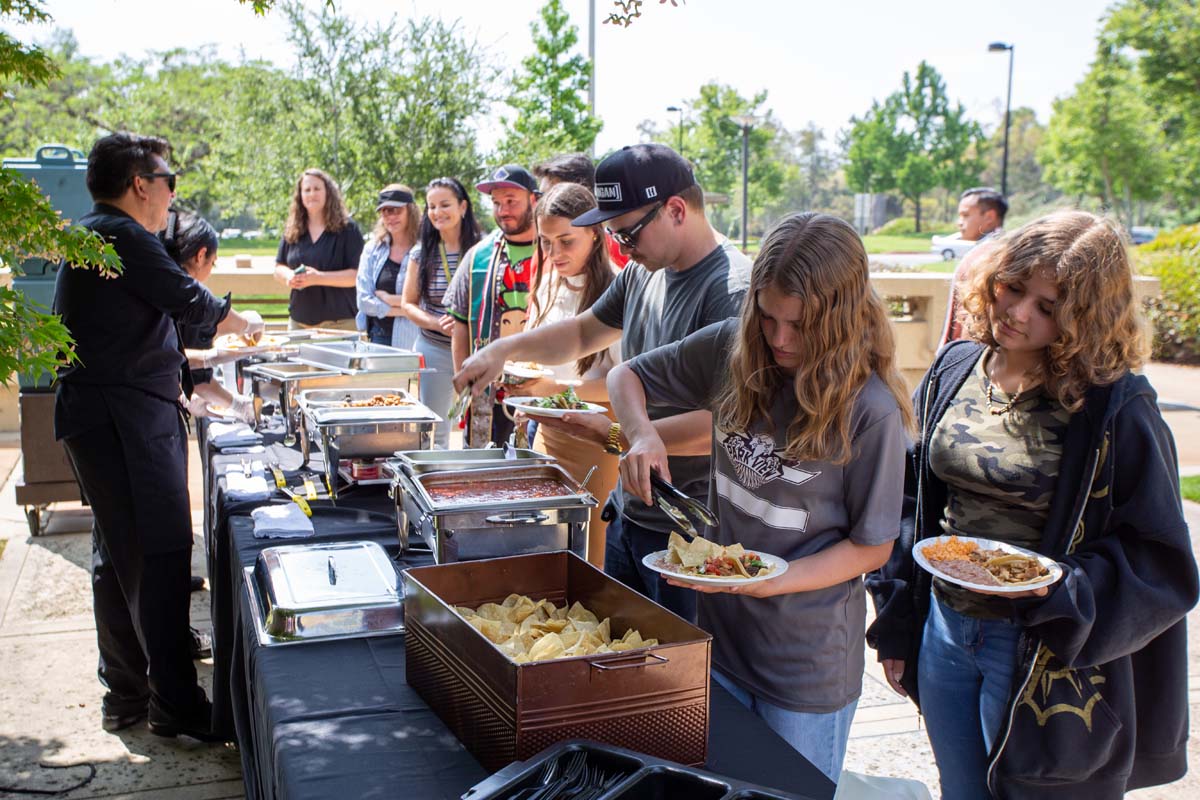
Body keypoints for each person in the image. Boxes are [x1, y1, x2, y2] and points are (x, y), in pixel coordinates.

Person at [867, 211, 1198, 799]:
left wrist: (1058, 586)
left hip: (1042, 656)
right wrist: (897, 623)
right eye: (1013, 287)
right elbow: (908, 497)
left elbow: (1162, 560)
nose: (1018, 312)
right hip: (944, 630)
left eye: (1048, 306)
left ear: (1085, 317)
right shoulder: (954, 367)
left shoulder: (1115, 407)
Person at [607, 212, 910, 781]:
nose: (778, 340)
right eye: (767, 318)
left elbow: (872, 547)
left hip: (803, 667)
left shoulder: (871, 411)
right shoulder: (733, 347)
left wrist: (766, 580)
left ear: (840, 319)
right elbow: (626, 377)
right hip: (719, 642)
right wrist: (642, 432)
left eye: (799, 325)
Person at [454, 143, 751, 622]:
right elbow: (581, 333)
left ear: (676, 209)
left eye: (627, 234)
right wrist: (500, 351)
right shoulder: (641, 272)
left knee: (672, 679)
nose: (621, 248)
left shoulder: (731, 291)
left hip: (689, 529)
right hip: (629, 510)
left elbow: (726, 427)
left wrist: (616, 435)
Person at [53, 133, 262, 741]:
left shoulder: (99, 232)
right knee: (162, 555)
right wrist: (244, 322)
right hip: (123, 418)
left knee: (117, 558)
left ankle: (126, 691)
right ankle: (174, 703)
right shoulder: (120, 234)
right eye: (169, 180)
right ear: (140, 184)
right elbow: (186, 300)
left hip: (106, 415)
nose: (173, 194)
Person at [506, 183, 621, 567]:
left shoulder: (618, 289)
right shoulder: (545, 284)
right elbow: (542, 363)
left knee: (592, 558)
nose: (554, 254)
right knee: (546, 548)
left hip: (600, 439)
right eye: (546, 242)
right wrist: (526, 393)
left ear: (596, 233)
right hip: (548, 435)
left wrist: (555, 389)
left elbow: (625, 383)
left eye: (565, 241)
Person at [445, 164, 540, 447]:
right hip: (488, 391)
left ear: (534, 199)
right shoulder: (478, 256)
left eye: (511, 201)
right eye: (497, 203)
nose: (503, 210)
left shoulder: (553, 250)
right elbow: (459, 325)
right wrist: (464, 377)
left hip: (540, 390)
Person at [400, 177, 482, 449]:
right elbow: (408, 304)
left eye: (445, 204)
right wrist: (437, 323)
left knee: (480, 427)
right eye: (431, 206)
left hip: (478, 352)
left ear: (463, 207)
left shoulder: (483, 250)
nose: (437, 212)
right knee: (436, 431)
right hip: (434, 348)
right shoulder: (421, 253)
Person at [161, 210, 257, 425]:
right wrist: (247, 326)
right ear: (201, 255)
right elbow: (196, 377)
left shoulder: (161, 279)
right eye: (212, 262)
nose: (211, 271)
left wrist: (235, 403)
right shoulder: (187, 297)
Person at [274, 168, 364, 331]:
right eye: (307, 190)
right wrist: (289, 276)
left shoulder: (348, 229)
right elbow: (279, 267)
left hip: (340, 325)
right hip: (298, 324)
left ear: (328, 192)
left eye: (317, 189)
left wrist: (318, 278)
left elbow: (357, 275)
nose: (312, 194)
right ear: (300, 195)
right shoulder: (293, 229)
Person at [532, 152, 628, 268]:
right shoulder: (541, 258)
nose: (546, 204)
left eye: (557, 197)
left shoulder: (623, 253)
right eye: (541, 196)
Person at [940, 187, 1009, 344]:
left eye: (965, 215)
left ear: (990, 217)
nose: (959, 223)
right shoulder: (998, 250)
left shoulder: (988, 256)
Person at [355, 184, 420, 347]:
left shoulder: (424, 249)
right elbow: (363, 301)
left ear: (410, 211)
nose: (391, 216)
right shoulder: (372, 249)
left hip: (415, 339)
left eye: (396, 210)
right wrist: (406, 310)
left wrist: (389, 299)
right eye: (385, 211)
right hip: (378, 338)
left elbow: (427, 302)